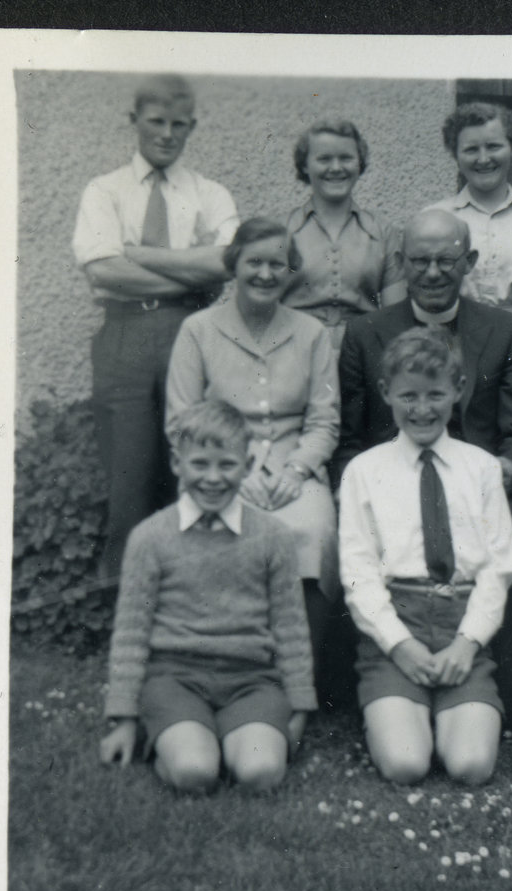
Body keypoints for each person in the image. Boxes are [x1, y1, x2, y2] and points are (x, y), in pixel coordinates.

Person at [335, 208, 512, 732]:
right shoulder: (365, 333)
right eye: (420, 260)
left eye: (447, 260)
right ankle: (363, 686)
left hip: (482, 483)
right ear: (402, 262)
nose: (432, 272)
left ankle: (504, 691)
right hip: (393, 484)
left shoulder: (504, 332)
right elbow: (347, 439)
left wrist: (501, 474)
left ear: (469, 262)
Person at [99, 399, 316, 793]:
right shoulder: (150, 537)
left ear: (248, 466)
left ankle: (225, 737)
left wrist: (299, 706)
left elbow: (290, 625)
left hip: (251, 679)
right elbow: (131, 633)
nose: (213, 478)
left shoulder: (273, 536)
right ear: (177, 464)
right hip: (174, 678)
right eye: (200, 464)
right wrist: (125, 718)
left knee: (261, 772)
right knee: (194, 772)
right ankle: (183, 741)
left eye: (227, 465)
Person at [73, 74, 240, 579]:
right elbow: (103, 269)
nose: (167, 134)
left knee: (191, 464)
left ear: (192, 126)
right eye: (156, 122)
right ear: (134, 121)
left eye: (178, 124)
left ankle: (188, 600)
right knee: (128, 477)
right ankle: (127, 608)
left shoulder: (208, 193)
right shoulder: (105, 190)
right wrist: (188, 278)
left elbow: (227, 262)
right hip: (123, 336)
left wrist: (140, 256)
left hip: (192, 334)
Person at [338, 330, 512, 784]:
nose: (423, 408)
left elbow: (500, 566)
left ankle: (449, 708)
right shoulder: (364, 471)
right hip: (398, 624)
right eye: (409, 396)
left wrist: (468, 642)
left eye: (436, 394)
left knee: (471, 766)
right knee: (406, 764)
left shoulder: (481, 468)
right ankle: (402, 708)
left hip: (462, 624)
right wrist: (399, 645)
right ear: (386, 394)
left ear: (459, 390)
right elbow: (358, 572)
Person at [165, 217, 340, 690]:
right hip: (217, 469)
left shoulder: (311, 333)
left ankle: (297, 682)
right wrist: (229, 474)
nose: (265, 274)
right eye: (254, 262)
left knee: (314, 529)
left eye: (277, 265)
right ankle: (224, 675)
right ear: (234, 266)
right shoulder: (198, 330)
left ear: (291, 271)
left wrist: (298, 469)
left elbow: (324, 421)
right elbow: (181, 419)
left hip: (293, 470)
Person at [429, 102, 512, 514]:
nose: (483, 158)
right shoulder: (434, 217)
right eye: (470, 149)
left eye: (494, 146)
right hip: (447, 346)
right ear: (455, 154)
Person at [282, 119, 405, 349]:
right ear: (305, 165)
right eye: (324, 159)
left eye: (346, 158)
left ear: (359, 163)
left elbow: (394, 319)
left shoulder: (383, 232)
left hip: (362, 352)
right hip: (294, 350)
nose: (336, 167)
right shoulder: (281, 229)